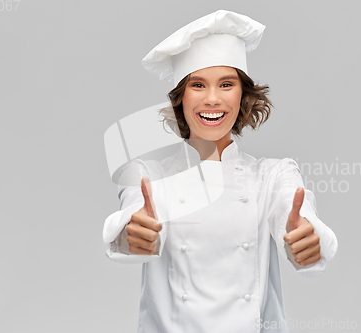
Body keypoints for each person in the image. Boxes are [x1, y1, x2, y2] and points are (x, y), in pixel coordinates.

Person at [103, 10, 338, 333]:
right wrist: (132, 235)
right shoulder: (147, 175)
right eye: (198, 85)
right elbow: (131, 217)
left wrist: (307, 239)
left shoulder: (272, 176)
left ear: (243, 95)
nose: (212, 99)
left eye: (226, 84)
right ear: (180, 98)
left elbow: (296, 213)